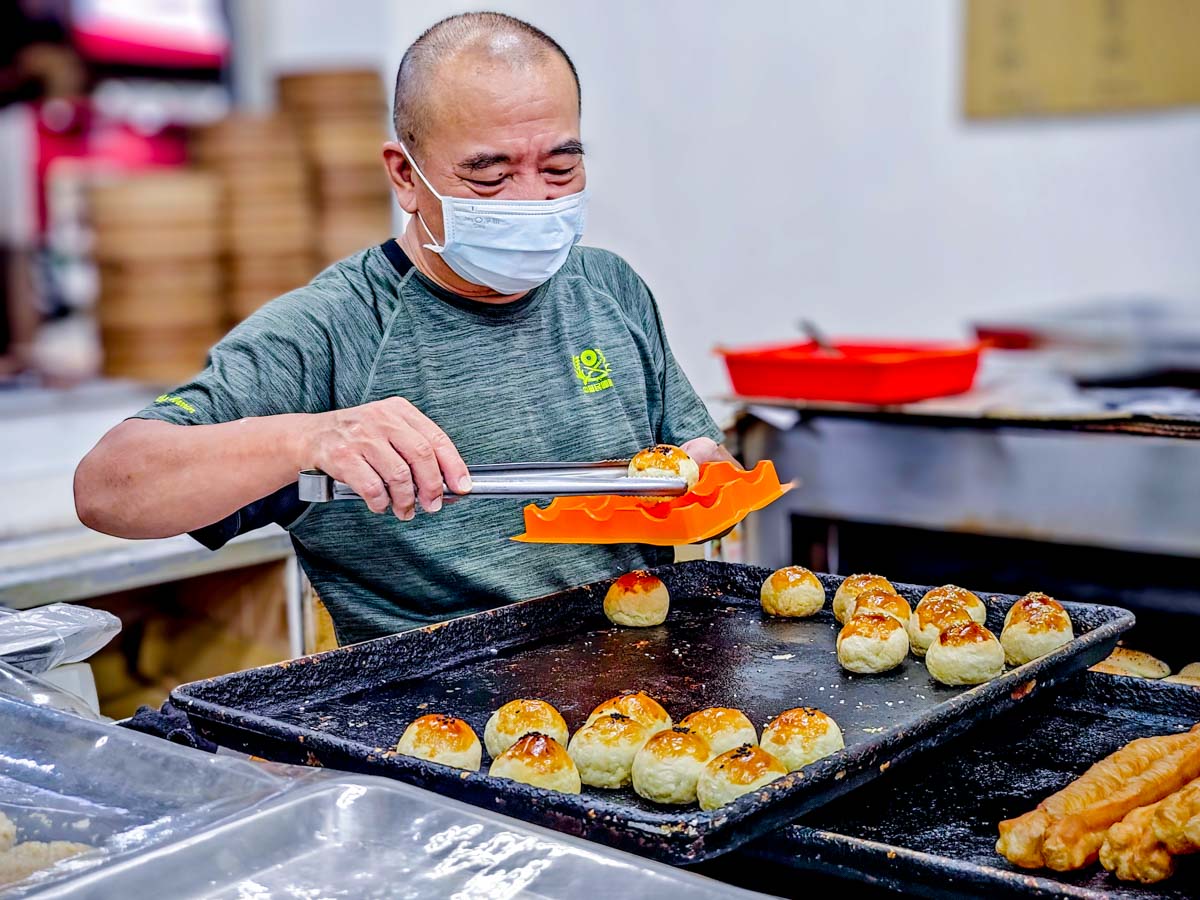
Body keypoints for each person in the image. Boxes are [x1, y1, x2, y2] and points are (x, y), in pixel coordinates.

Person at [74, 12, 732, 644]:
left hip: (642, 691)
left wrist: (709, 479)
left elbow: (702, 464)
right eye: (490, 175)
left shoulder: (609, 289)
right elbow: (108, 488)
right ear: (404, 177)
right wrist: (308, 436)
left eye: (560, 168)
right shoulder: (333, 330)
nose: (534, 200)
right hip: (429, 725)